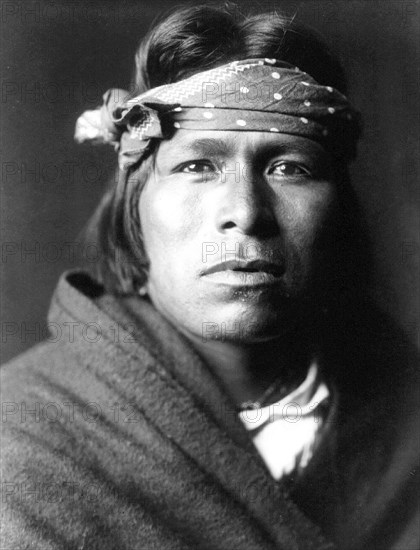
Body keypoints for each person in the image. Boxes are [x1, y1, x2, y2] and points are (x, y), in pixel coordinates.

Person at [1, 5, 418, 549]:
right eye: (198, 165)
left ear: (340, 211)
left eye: (289, 167)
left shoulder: (404, 405)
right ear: (136, 211)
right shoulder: (23, 437)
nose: (245, 212)